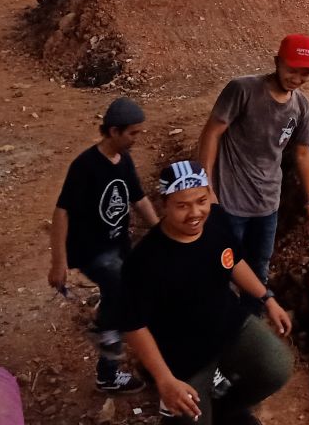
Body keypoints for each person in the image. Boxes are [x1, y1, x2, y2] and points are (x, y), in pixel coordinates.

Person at [120, 161, 293, 425]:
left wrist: (267, 299)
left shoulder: (216, 221)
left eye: (201, 200)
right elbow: (134, 325)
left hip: (228, 325)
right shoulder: (146, 259)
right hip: (183, 356)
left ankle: (226, 411)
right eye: (182, 205)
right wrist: (165, 379)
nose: (195, 213)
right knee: (188, 416)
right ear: (164, 204)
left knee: (276, 366)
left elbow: (233, 261)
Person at [197, 35, 309, 309]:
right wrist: (206, 187)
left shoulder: (301, 106)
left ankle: (250, 327)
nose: (297, 78)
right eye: (292, 69)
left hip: (267, 205)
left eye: (305, 73)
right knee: (222, 268)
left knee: (259, 269)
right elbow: (212, 133)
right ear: (277, 62)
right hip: (229, 203)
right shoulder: (243, 90)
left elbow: (302, 152)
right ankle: (217, 328)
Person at [48, 97, 159, 394]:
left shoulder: (124, 161)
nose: (138, 138)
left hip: (119, 244)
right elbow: (62, 212)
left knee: (133, 288)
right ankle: (106, 338)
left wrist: (162, 233)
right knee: (120, 286)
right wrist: (58, 262)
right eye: (133, 133)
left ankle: (111, 361)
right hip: (92, 251)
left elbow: (139, 199)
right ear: (113, 131)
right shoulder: (85, 167)